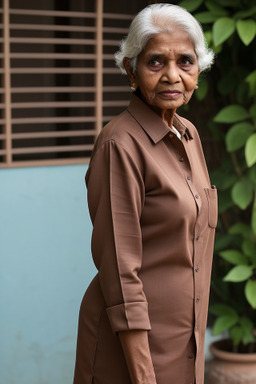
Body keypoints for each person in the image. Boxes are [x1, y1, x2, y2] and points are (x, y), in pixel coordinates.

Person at [73, 3, 217, 384]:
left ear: (198, 71)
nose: (172, 75)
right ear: (131, 71)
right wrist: (143, 375)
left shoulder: (188, 135)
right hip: (134, 354)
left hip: (185, 345)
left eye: (185, 62)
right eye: (156, 63)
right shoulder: (119, 144)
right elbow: (120, 273)